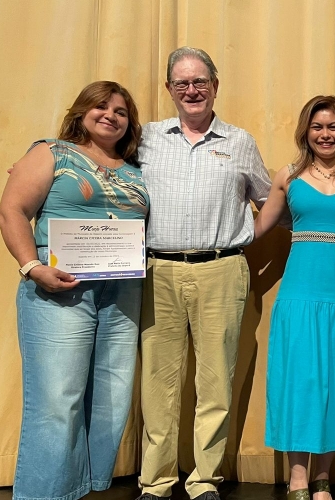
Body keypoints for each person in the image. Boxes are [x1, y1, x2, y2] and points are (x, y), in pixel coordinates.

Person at [0, 81, 148, 500]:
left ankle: (80, 490)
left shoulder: (136, 170)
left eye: (120, 111)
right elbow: (11, 211)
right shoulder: (51, 152)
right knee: (57, 400)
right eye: (101, 107)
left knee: (110, 397)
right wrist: (32, 268)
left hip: (121, 290)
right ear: (82, 112)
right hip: (57, 287)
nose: (110, 116)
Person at [136, 47, 274, 500]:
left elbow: (270, 199)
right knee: (158, 382)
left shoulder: (240, 141)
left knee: (216, 380)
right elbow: (103, 171)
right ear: (169, 89)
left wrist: (248, 235)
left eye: (200, 81)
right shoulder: (146, 138)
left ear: (216, 85)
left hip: (222, 269)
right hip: (158, 270)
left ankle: (204, 480)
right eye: (182, 83)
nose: (192, 90)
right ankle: (155, 482)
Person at [255, 95, 335, 500]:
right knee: (300, 383)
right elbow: (254, 230)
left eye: (333, 127)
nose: (325, 134)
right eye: (318, 126)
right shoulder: (286, 177)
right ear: (306, 131)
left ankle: (324, 477)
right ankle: (299, 479)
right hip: (300, 295)